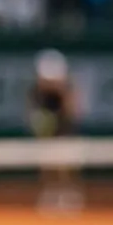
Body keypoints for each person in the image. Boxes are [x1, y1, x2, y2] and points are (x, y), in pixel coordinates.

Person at [28, 49, 82, 213]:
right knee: (46, 163)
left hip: (64, 129)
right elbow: (31, 110)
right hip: (46, 132)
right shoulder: (36, 91)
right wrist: (39, 122)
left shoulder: (67, 89)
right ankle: (50, 193)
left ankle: (68, 193)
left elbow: (73, 111)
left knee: (65, 163)